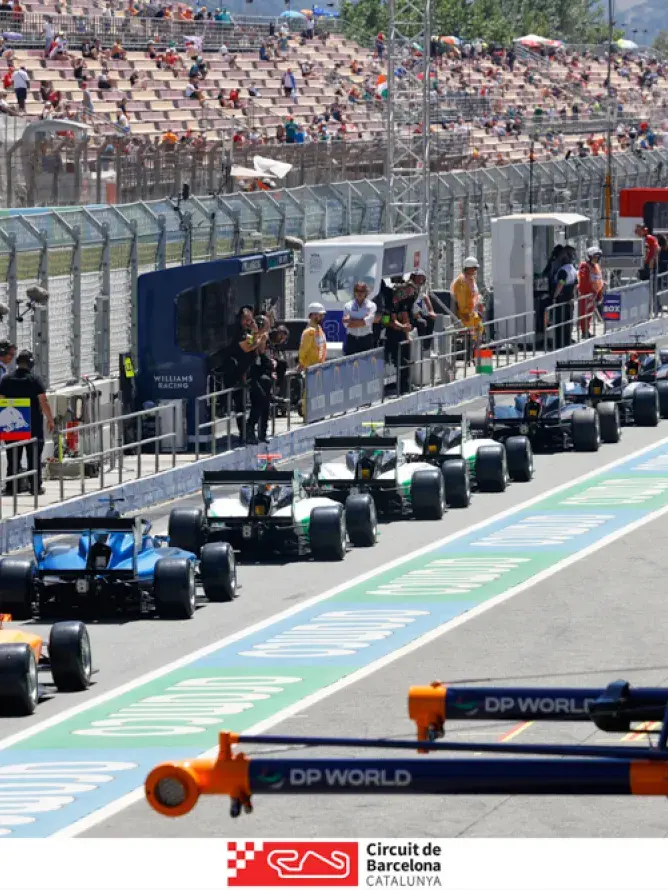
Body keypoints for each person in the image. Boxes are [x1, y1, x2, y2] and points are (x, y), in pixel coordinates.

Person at [0, 349, 54, 495]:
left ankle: (12, 487)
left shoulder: (6, 379)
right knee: (33, 456)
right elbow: (43, 401)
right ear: (31, 364)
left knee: (13, 457)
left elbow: (1, 399)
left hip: (13, 424)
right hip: (32, 425)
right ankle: (35, 487)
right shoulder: (34, 379)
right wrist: (50, 420)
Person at [221, 306, 270, 444]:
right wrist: (257, 335)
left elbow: (257, 348)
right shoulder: (236, 333)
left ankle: (250, 428)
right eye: (247, 319)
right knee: (240, 405)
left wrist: (258, 335)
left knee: (260, 398)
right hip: (235, 373)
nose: (250, 322)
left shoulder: (248, 332)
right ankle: (244, 434)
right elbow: (248, 346)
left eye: (251, 319)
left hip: (248, 373)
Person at [451, 256, 484, 361]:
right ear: (468, 268)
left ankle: (482, 363)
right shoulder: (461, 281)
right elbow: (461, 301)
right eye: (474, 268)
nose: (475, 270)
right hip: (464, 315)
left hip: (472, 314)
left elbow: (474, 296)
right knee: (472, 335)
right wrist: (466, 314)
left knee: (481, 331)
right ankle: (473, 360)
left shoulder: (470, 279)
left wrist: (478, 308)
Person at [298, 302, 327, 416]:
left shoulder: (319, 329)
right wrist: (302, 364)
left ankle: (316, 412)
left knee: (317, 392)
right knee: (309, 392)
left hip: (319, 366)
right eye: (320, 315)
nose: (322, 317)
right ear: (312, 315)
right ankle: (307, 414)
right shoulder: (309, 332)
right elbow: (303, 351)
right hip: (311, 367)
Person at [551, 245, 577, 349]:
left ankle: (559, 344)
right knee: (568, 323)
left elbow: (561, 283)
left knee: (559, 324)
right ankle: (567, 342)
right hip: (569, 300)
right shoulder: (573, 269)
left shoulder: (563, 271)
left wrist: (555, 296)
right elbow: (575, 285)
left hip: (561, 300)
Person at [577, 245, 604, 338]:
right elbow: (584, 282)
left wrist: (599, 294)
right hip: (586, 295)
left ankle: (587, 331)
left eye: (598, 257)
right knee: (584, 314)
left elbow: (599, 281)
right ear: (589, 256)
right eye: (595, 257)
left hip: (594, 295)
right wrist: (591, 291)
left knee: (589, 315)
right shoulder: (584, 266)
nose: (597, 259)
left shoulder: (596, 267)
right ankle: (584, 332)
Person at [342, 281, 376, 355]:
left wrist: (351, 320)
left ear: (366, 292)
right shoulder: (347, 306)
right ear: (354, 292)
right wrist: (363, 320)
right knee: (350, 365)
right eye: (357, 290)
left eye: (362, 291)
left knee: (366, 365)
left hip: (366, 340)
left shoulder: (371, 305)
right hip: (352, 340)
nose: (359, 293)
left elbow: (368, 321)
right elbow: (346, 324)